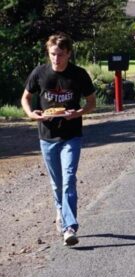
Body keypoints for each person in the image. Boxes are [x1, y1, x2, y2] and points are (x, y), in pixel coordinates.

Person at [21, 32, 96, 246]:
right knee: (57, 184)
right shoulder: (40, 73)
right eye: (53, 54)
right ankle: (60, 212)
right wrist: (31, 113)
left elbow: (91, 102)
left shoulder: (78, 75)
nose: (56, 59)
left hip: (71, 134)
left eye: (60, 55)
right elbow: (25, 97)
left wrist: (78, 112)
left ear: (68, 54)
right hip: (46, 136)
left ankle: (69, 227)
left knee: (69, 178)